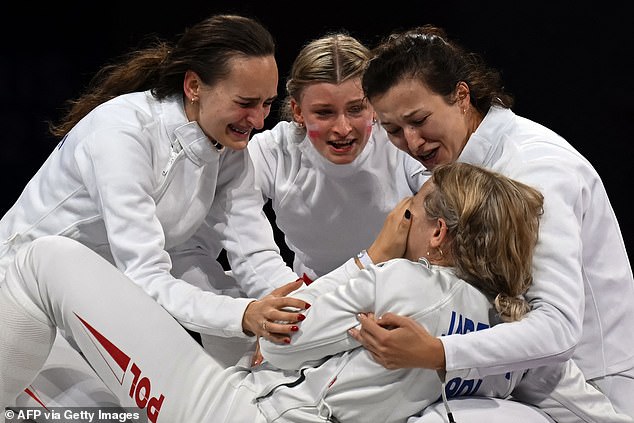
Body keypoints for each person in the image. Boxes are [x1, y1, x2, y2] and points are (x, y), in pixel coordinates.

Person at [1, 162, 628, 423]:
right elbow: (587, 405)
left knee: (44, 260)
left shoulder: (405, 280)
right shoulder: (508, 337)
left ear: (437, 234)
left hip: (239, 413)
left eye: (409, 210)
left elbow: (276, 346)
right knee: (50, 393)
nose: (398, 215)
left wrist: (372, 256)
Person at [0, 13, 308, 407]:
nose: (260, 121)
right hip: (22, 300)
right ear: (194, 85)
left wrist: (306, 311)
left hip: (96, 306)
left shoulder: (227, 149)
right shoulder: (121, 134)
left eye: (266, 103)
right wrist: (244, 316)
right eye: (245, 103)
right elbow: (146, 276)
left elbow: (256, 255)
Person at [347, 24, 634, 419]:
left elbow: (558, 329)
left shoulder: (537, 168)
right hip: (499, 370)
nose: (411, 143)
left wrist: (438, 352)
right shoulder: (433, 161)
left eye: (419, 120)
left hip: (590, 383)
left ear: (462, 97)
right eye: (394, 130)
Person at [246, 32, 425, 281]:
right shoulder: (272, 152)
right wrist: (293, 301)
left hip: (397, 287)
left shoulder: (402, 140)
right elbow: (246, 244)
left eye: (355, 109)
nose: (343, 128)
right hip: (310, 293)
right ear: (298, 111)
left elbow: (447, 204)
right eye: (324, 112)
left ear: (373, 105)